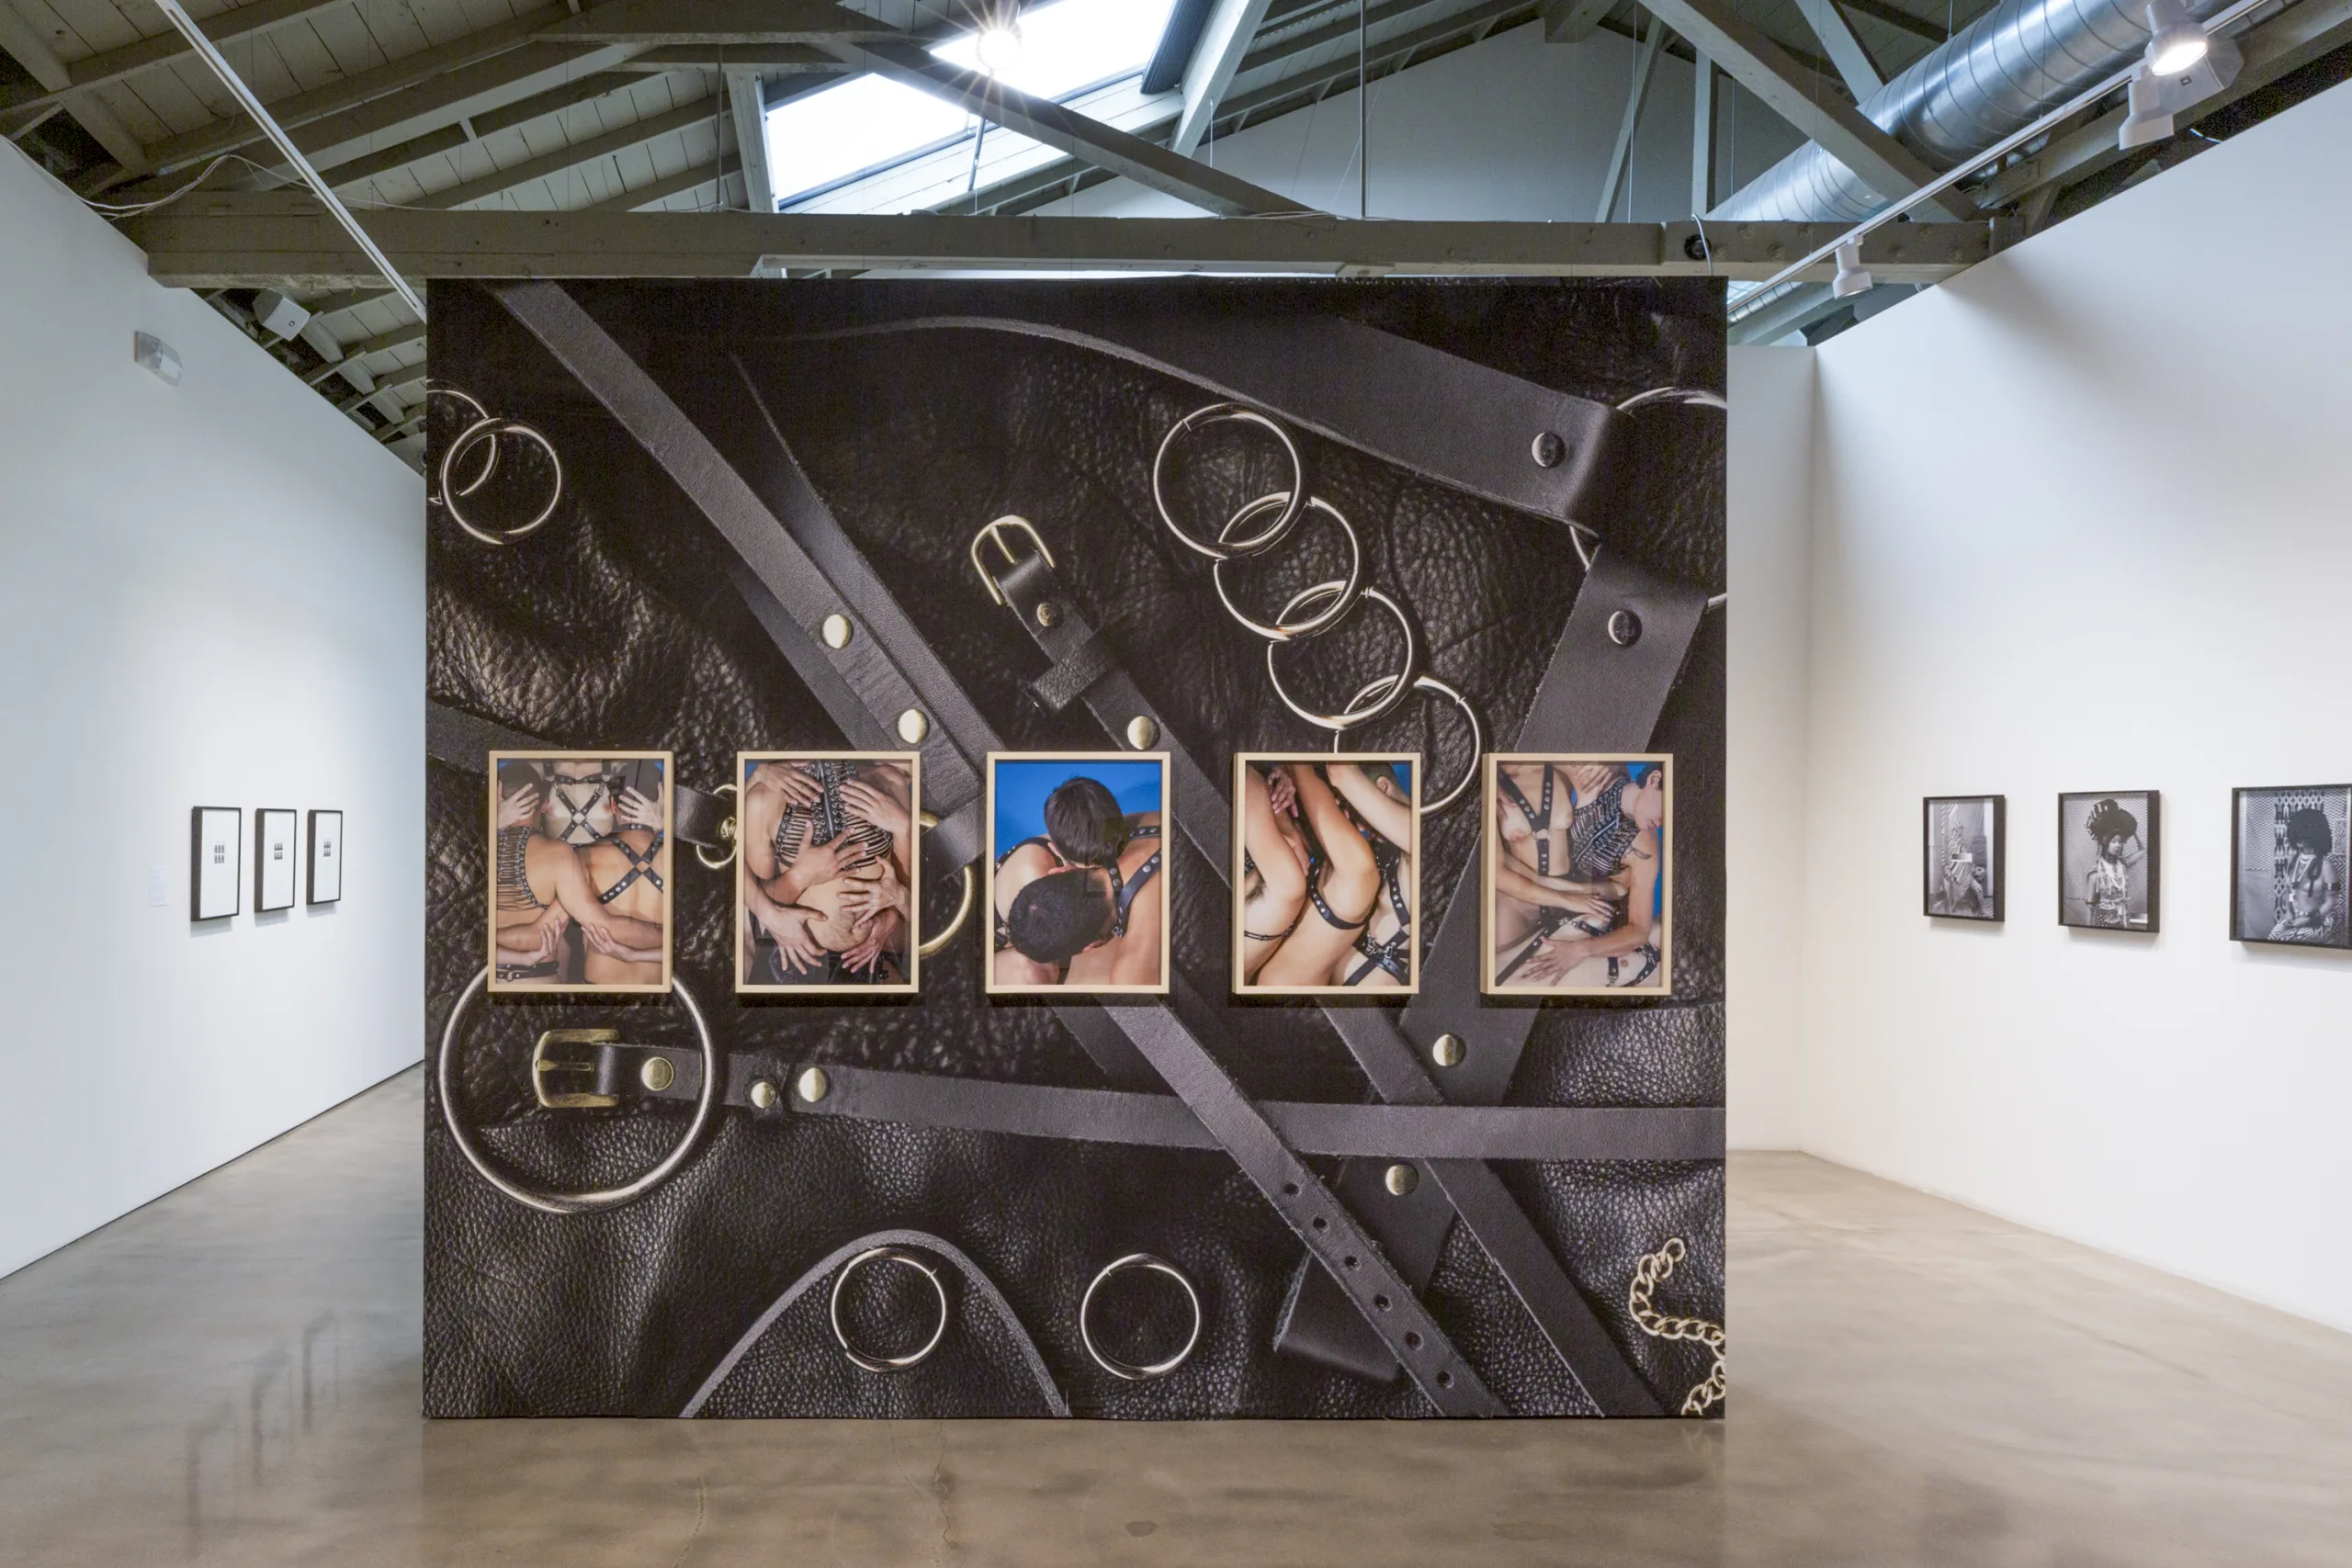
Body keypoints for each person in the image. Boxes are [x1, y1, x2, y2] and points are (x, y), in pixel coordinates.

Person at [740, 759, 912, 984]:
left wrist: (891, 918)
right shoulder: (762, 800)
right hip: (798, 958)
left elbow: (908, 894)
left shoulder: (890, 781)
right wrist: (799, 878)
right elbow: (756, 910)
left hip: (878, 955)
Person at [1497, 763, 1668, 988]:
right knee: (1496, 977)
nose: (1665, 822)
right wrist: (1487, 778)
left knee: (1661, 943)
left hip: (1584, 909)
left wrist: (1580, 950)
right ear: (1654, 779)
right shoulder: (1594, 779)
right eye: (1669, 808)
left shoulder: (1646, 844)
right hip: (1527, 903)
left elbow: (1638, 930)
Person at [492, 765, 661, 987]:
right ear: (544, 805)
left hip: (592, 988)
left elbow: (538, 935)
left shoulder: (584, 858)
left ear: (612, 805)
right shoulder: (678, 854)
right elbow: (601, 928)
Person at [993, 774, 1163, 987]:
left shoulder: (1097, 839)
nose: (1098, 861)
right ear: (1060, 869)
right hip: (1003, 937)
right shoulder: (1034, 876)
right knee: (1031, 974)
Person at [2269, 806, 2340, 943]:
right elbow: (2290, 891)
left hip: (2318, 921)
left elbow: (2331, 901)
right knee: (2271, 939)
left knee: (2283, 939)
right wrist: (2289, 911)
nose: (2299, 837)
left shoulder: (2326, 866)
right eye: (2296, 832)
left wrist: (2309, 919)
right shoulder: (2292, 862)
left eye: (2304, 833)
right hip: (2293, 917)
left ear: (2316, 835)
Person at [2080, 798, 2141, 929]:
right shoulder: (2095, 873)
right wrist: (2088, 931)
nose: (2118, 845)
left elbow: (2143, 850)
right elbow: (2090, 906)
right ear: (2105, 843)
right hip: (2103, 924)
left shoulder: (2123, 864)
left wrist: (2131, 830)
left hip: (2124, 922)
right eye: (2113, 841)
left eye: (2120, 841)